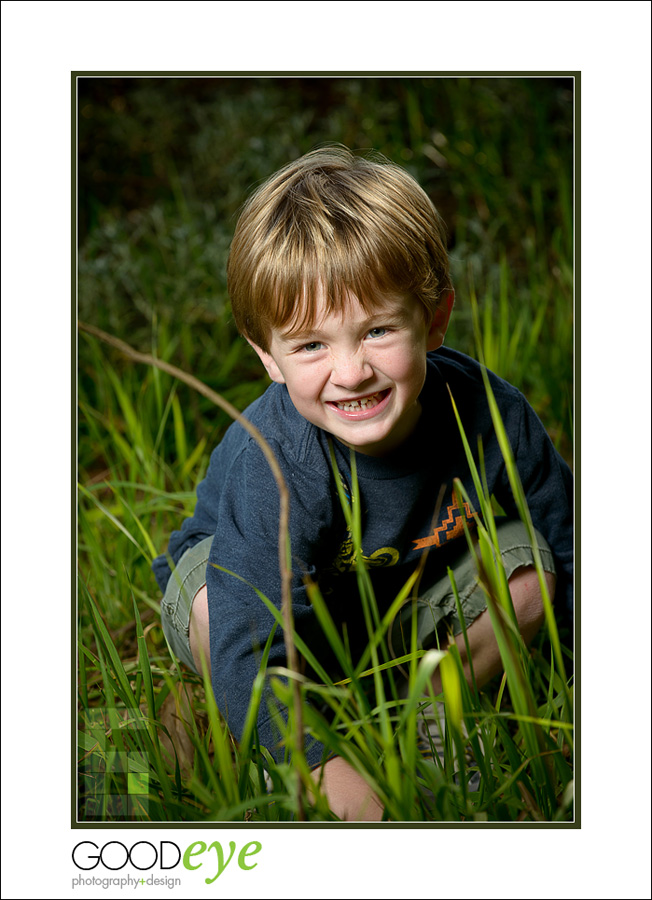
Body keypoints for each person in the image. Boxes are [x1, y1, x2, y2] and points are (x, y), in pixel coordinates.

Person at [152, 146, 572, 821]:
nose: (351, 373)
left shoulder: (488, 411)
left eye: (377, 330)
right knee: (213, 607)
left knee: (534, 572)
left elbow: (570, 537)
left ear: (433, 320)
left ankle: (425, 717)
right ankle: (277, 727)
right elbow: (244, 636)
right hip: (263, 604)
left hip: (399, 608)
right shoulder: (278, 458)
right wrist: (335, 779)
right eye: (311, 346)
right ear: (268, 356)